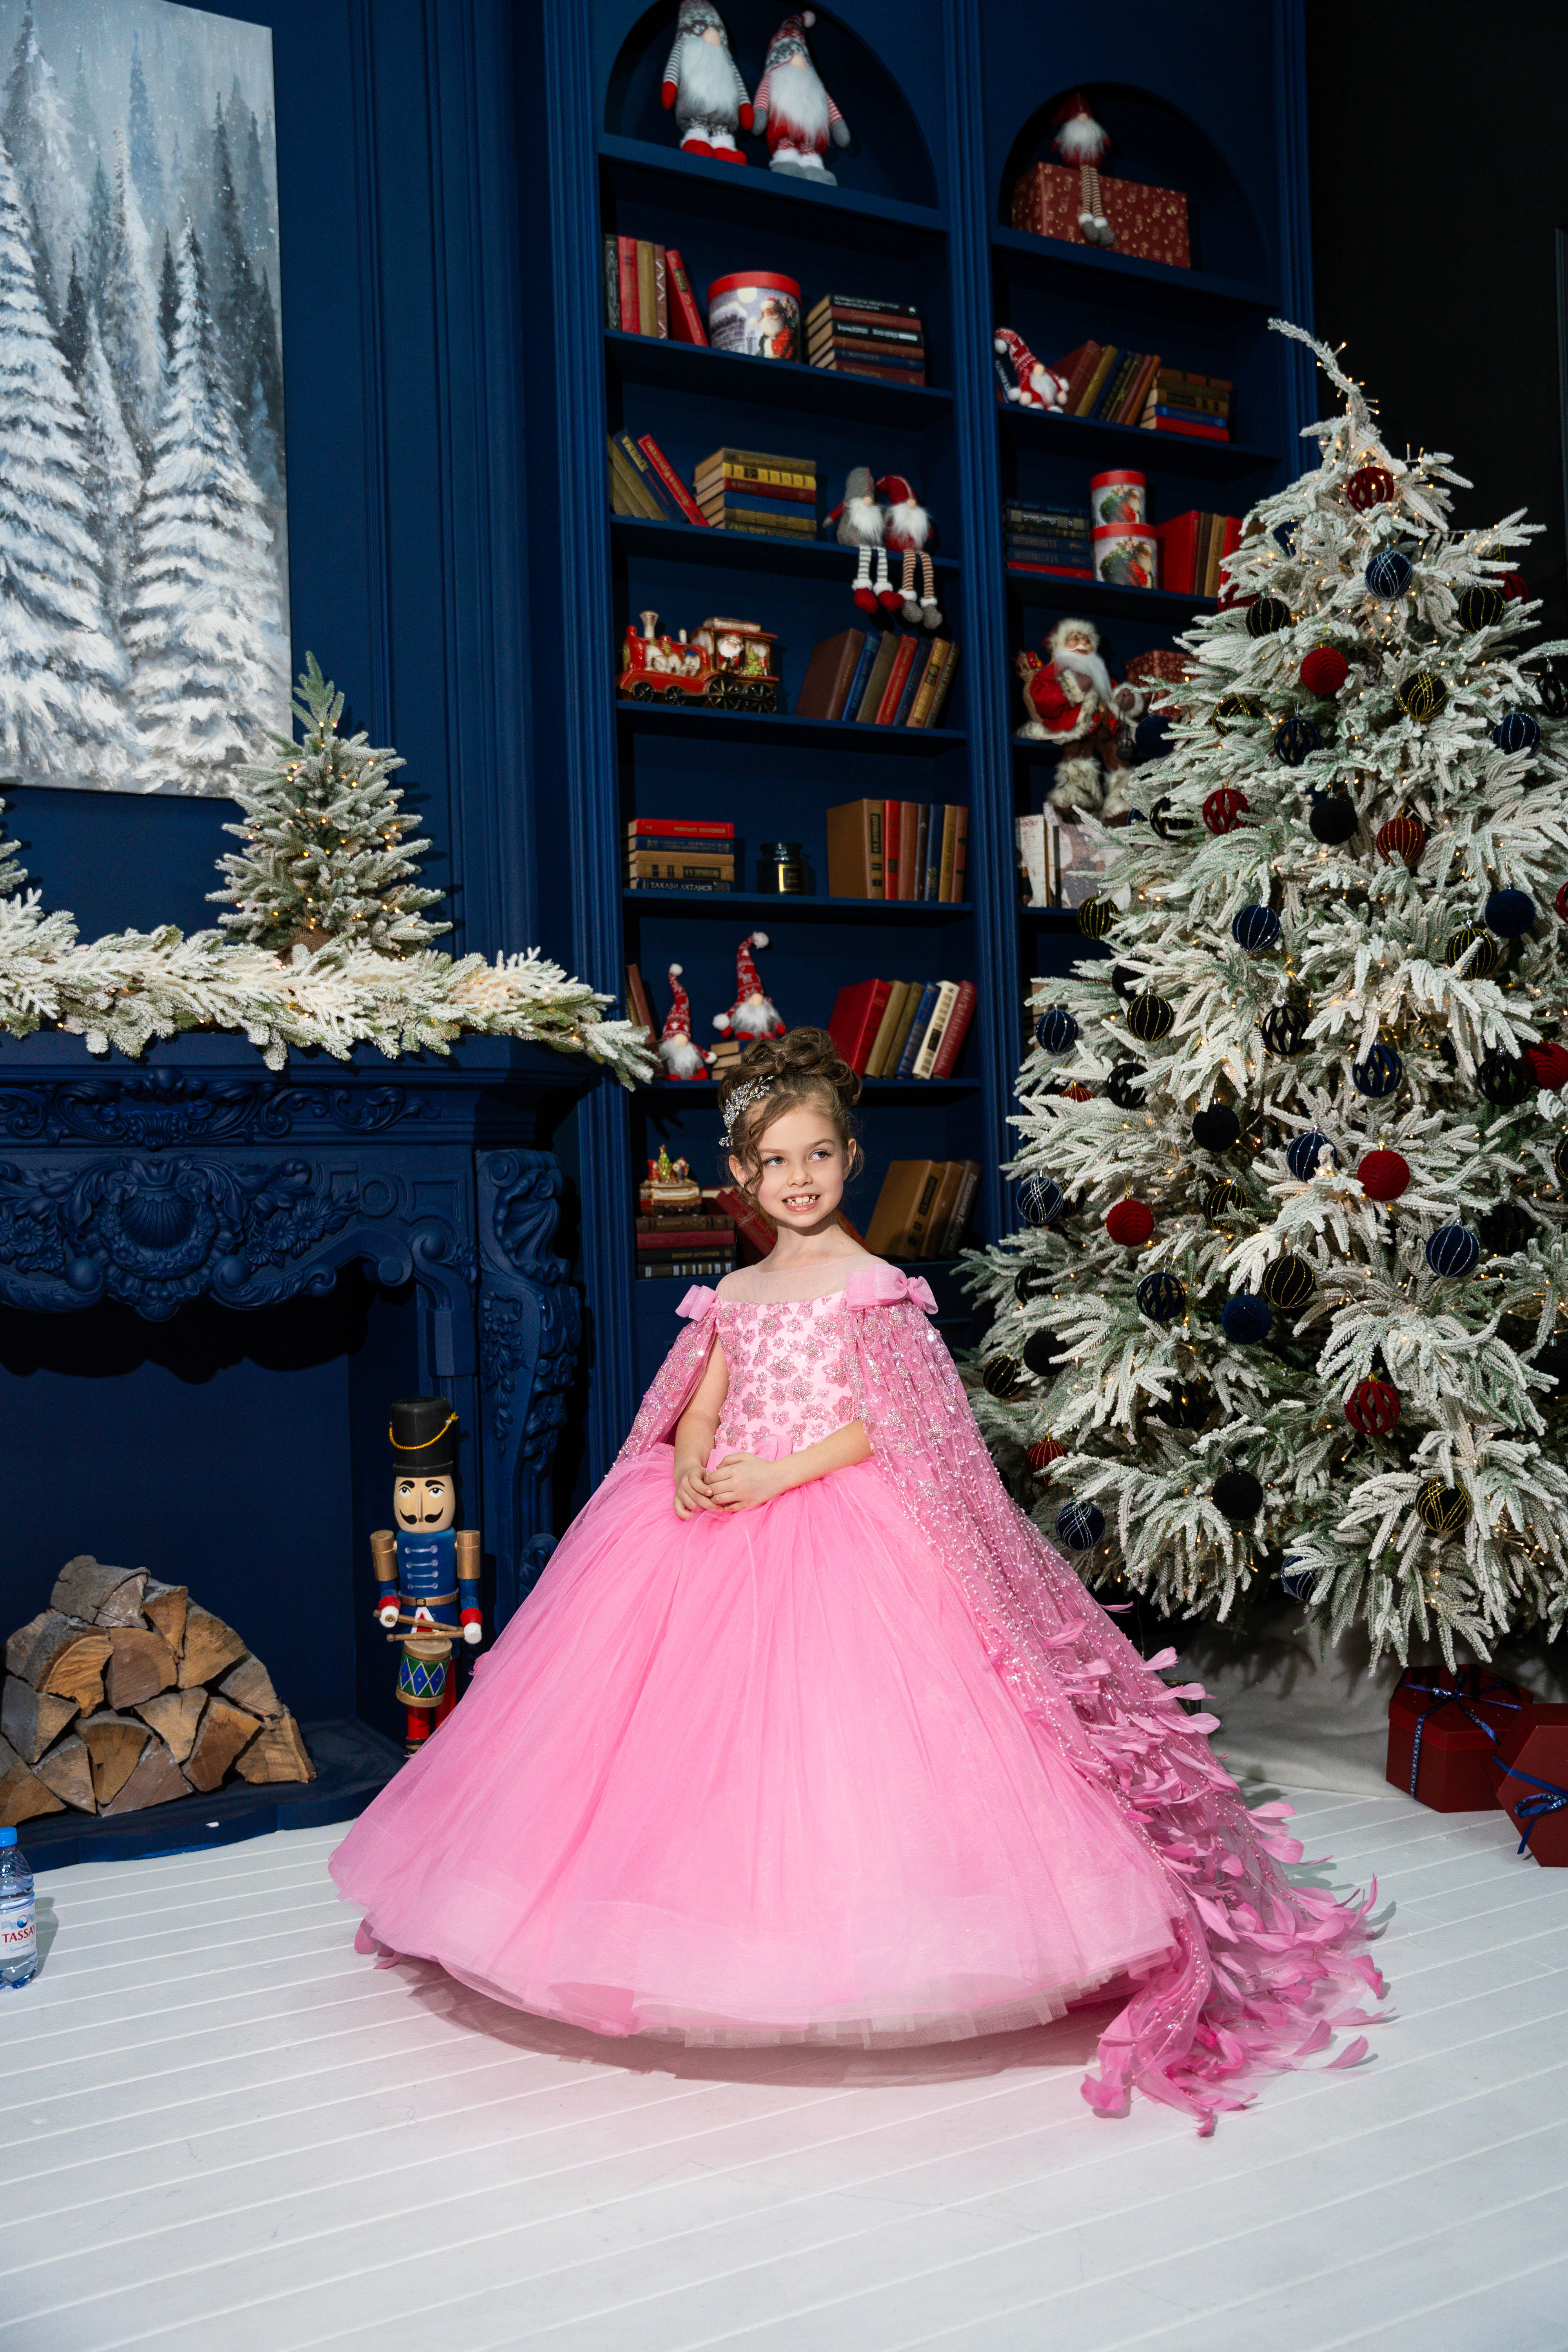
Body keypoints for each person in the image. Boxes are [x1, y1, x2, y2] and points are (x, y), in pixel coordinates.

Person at [330, 1029, 1382, 2129]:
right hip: (718, 1519)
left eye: (817, 1156)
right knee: (685, 1738)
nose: (797, 1180)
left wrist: (780, 1471)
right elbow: (701, 1391)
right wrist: (690, 1458)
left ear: (850, 1160)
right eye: (774, 1162)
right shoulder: (733, 1289)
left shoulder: (877, 1288)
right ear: (740, 1176)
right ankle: (681, 1927)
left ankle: (868, 1941)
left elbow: (897, 1427)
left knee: (845, 1739)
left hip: (838, 1518)